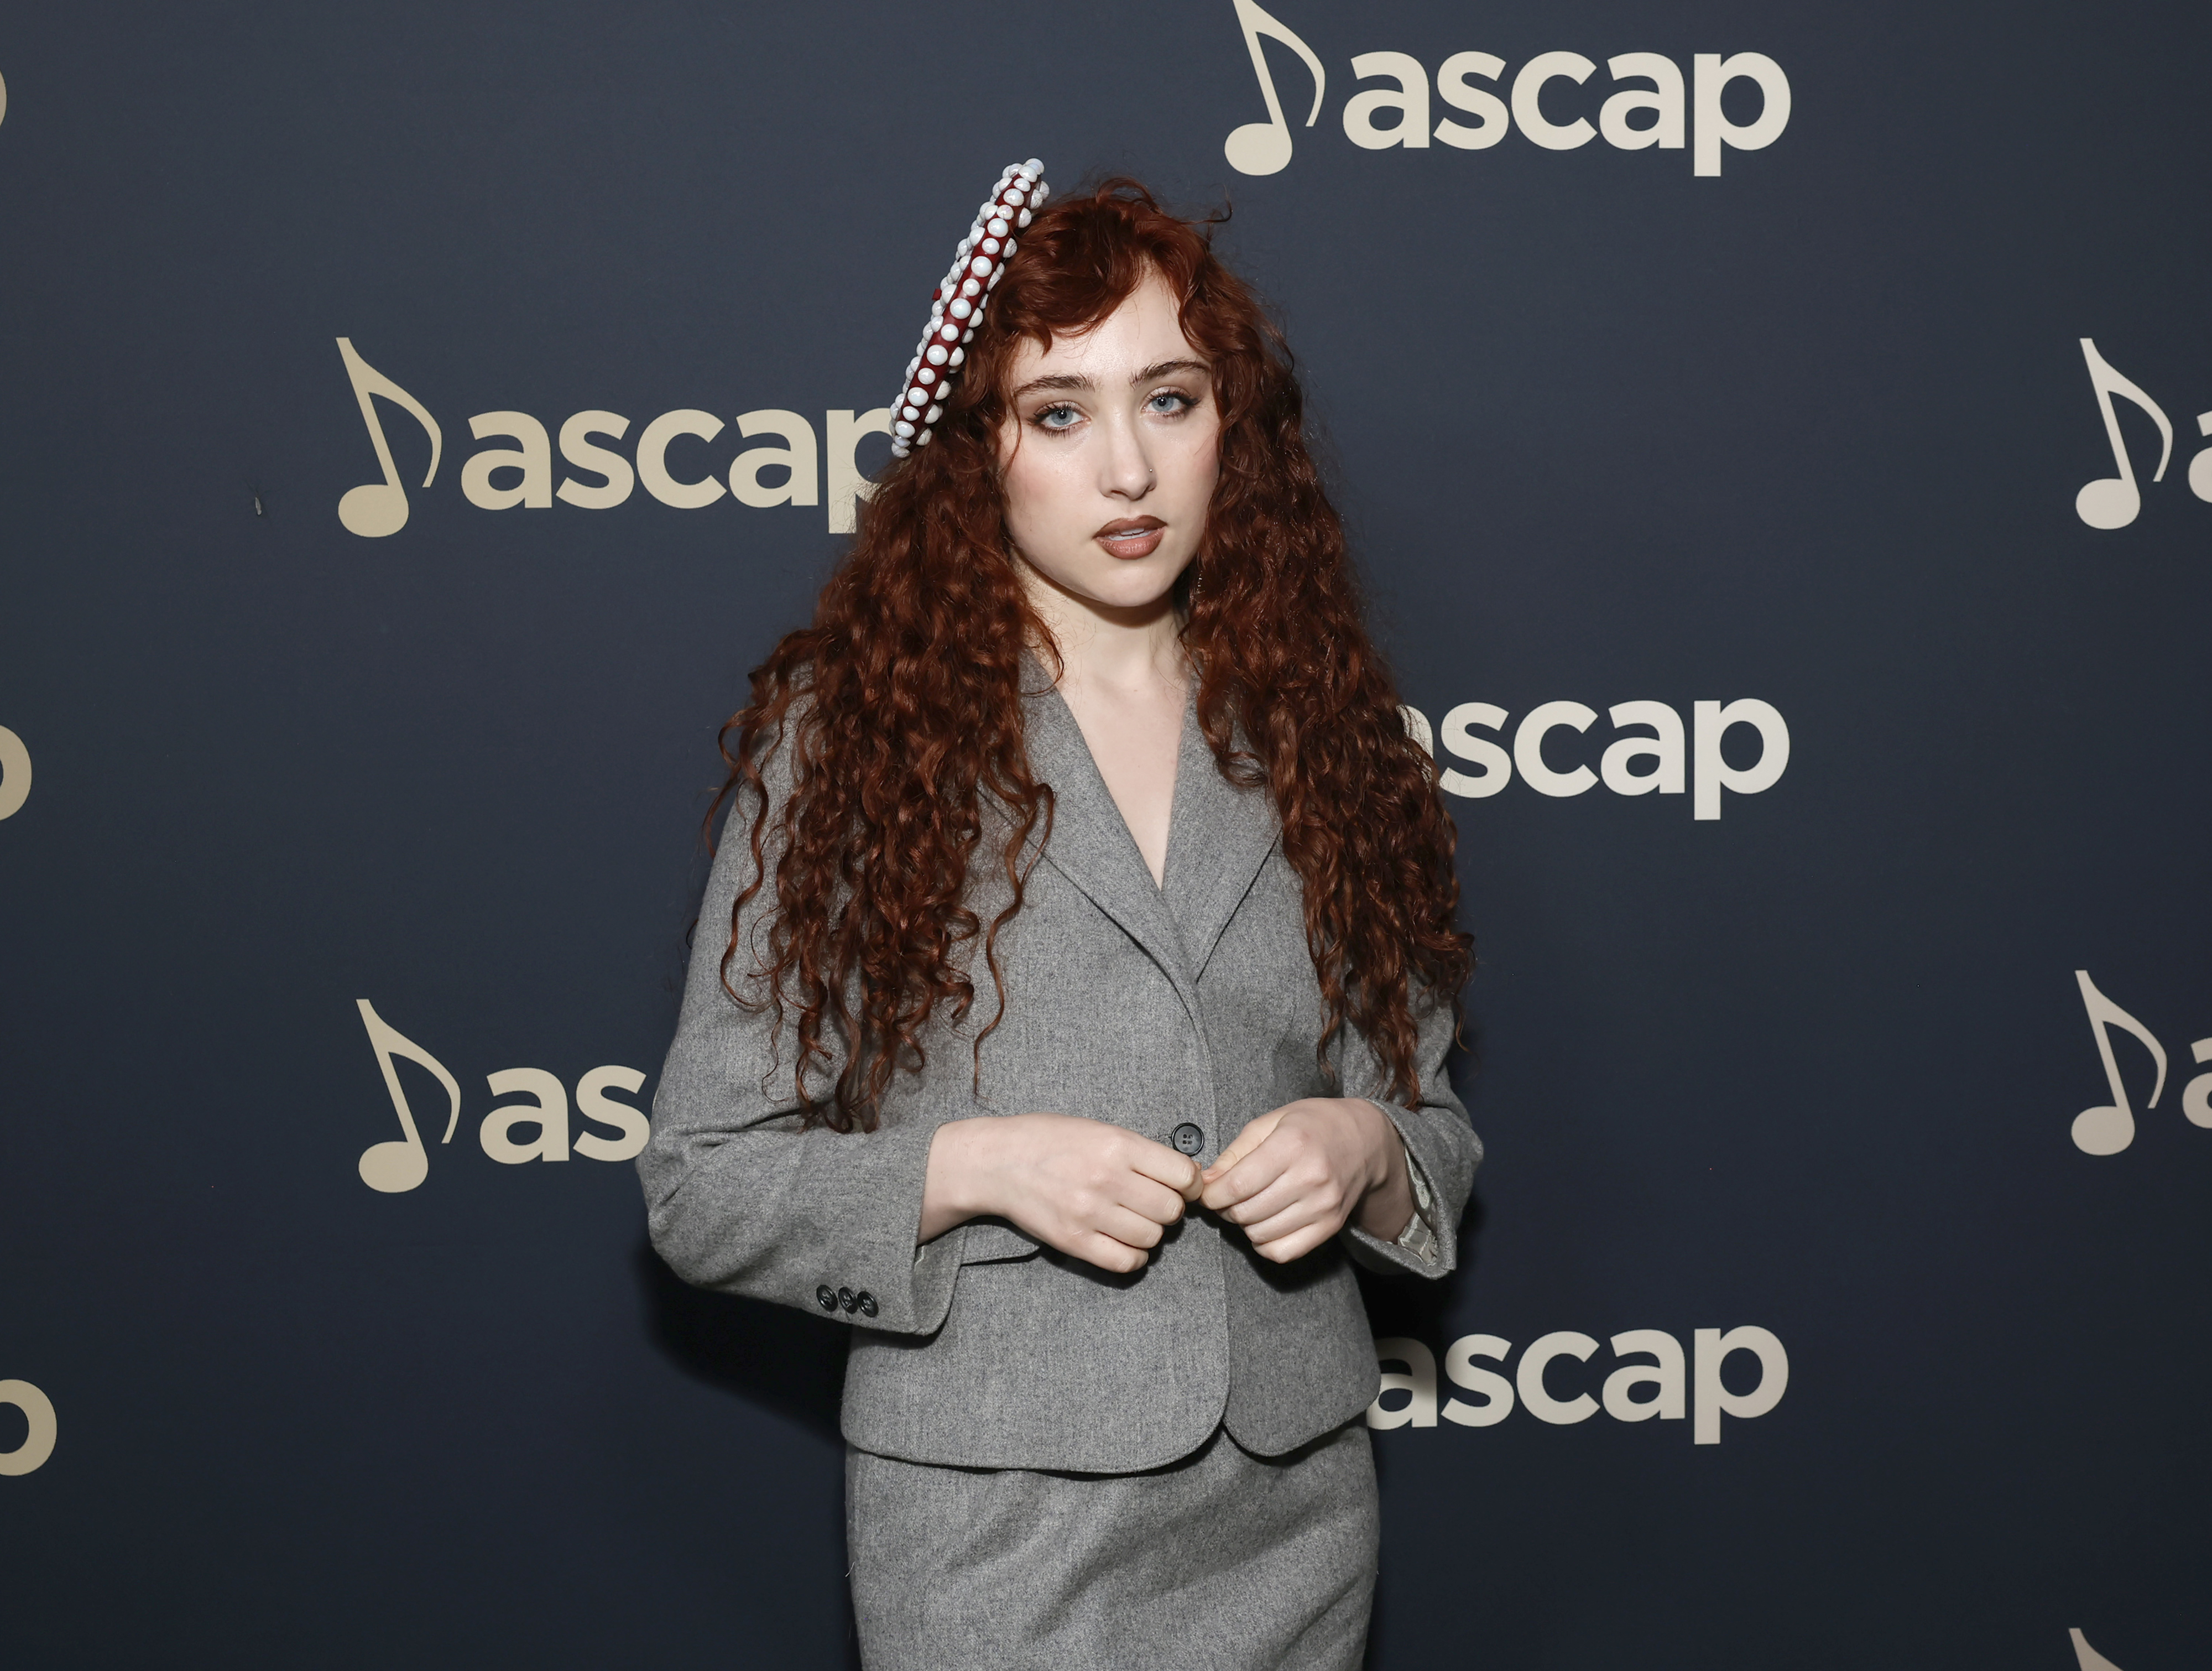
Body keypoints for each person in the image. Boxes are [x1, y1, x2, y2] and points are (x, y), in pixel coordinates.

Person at [639, 162, 1478, 1671]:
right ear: (981, 453)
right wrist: (973, 1168)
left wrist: (1367, 1150)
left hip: (1295, 1518)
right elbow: (705, 1186)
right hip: (996, 1542)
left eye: (1170, 400)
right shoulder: (859, 740)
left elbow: (1429, 1125)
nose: (1130, 470)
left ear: (1234, 426)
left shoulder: (1327, 732)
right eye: (1060, 413)